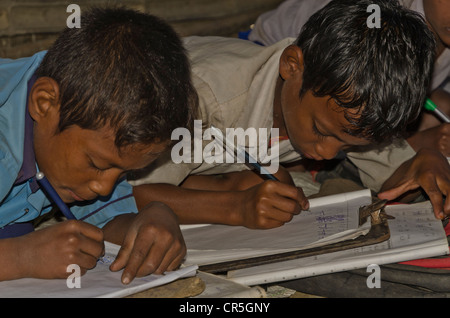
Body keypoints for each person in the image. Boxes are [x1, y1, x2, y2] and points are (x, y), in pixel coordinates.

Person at [131, 0, 450, 230]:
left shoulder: (340, 106)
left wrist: (421, 161)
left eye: (343, 144)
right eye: (321, 131)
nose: (325, 153)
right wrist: (235, 207)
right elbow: (125, 195)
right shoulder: (199, 99)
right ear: (291, 66)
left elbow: (390, 174)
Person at [0, 7, 197, 284]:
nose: (103, 188)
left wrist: (150, 219)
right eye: (96, 164)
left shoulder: (83, 107)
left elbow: (103, 222)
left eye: (120, 173)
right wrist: (19, 258)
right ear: (43, 104)